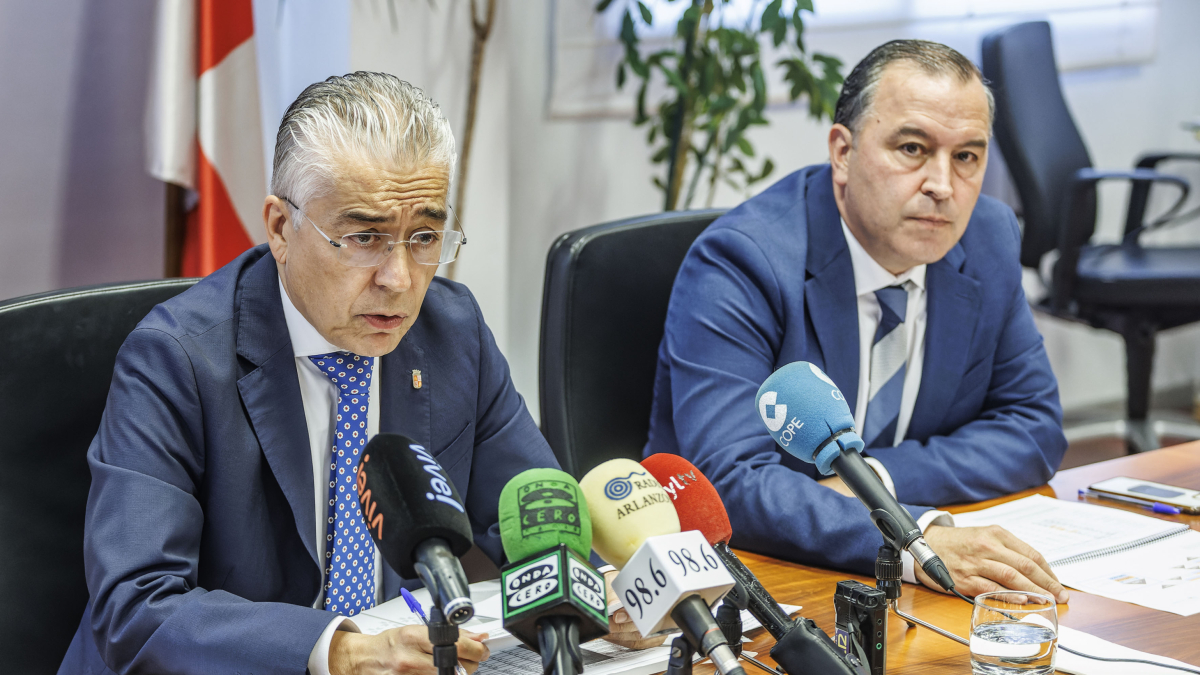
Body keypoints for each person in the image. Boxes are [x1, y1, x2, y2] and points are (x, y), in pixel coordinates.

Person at [59, 73, 634, 675]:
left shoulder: (451, 331)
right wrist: (339, 650)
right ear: (281, 228)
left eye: (425, 238)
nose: (401, 279)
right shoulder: (176, 359)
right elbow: (137, 605)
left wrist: (611, 600)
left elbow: (534, 515)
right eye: (365, 238)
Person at [645, 41, 1071, 603]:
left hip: (894, 586)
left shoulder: (987, 237)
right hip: (747, 583)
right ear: (843, 153)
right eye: (913, 148)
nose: (943, 185)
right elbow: (733, 482)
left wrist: (875, 480)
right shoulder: (741, 261)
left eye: (967, 156)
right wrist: (916, 536)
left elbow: (1033, 427)